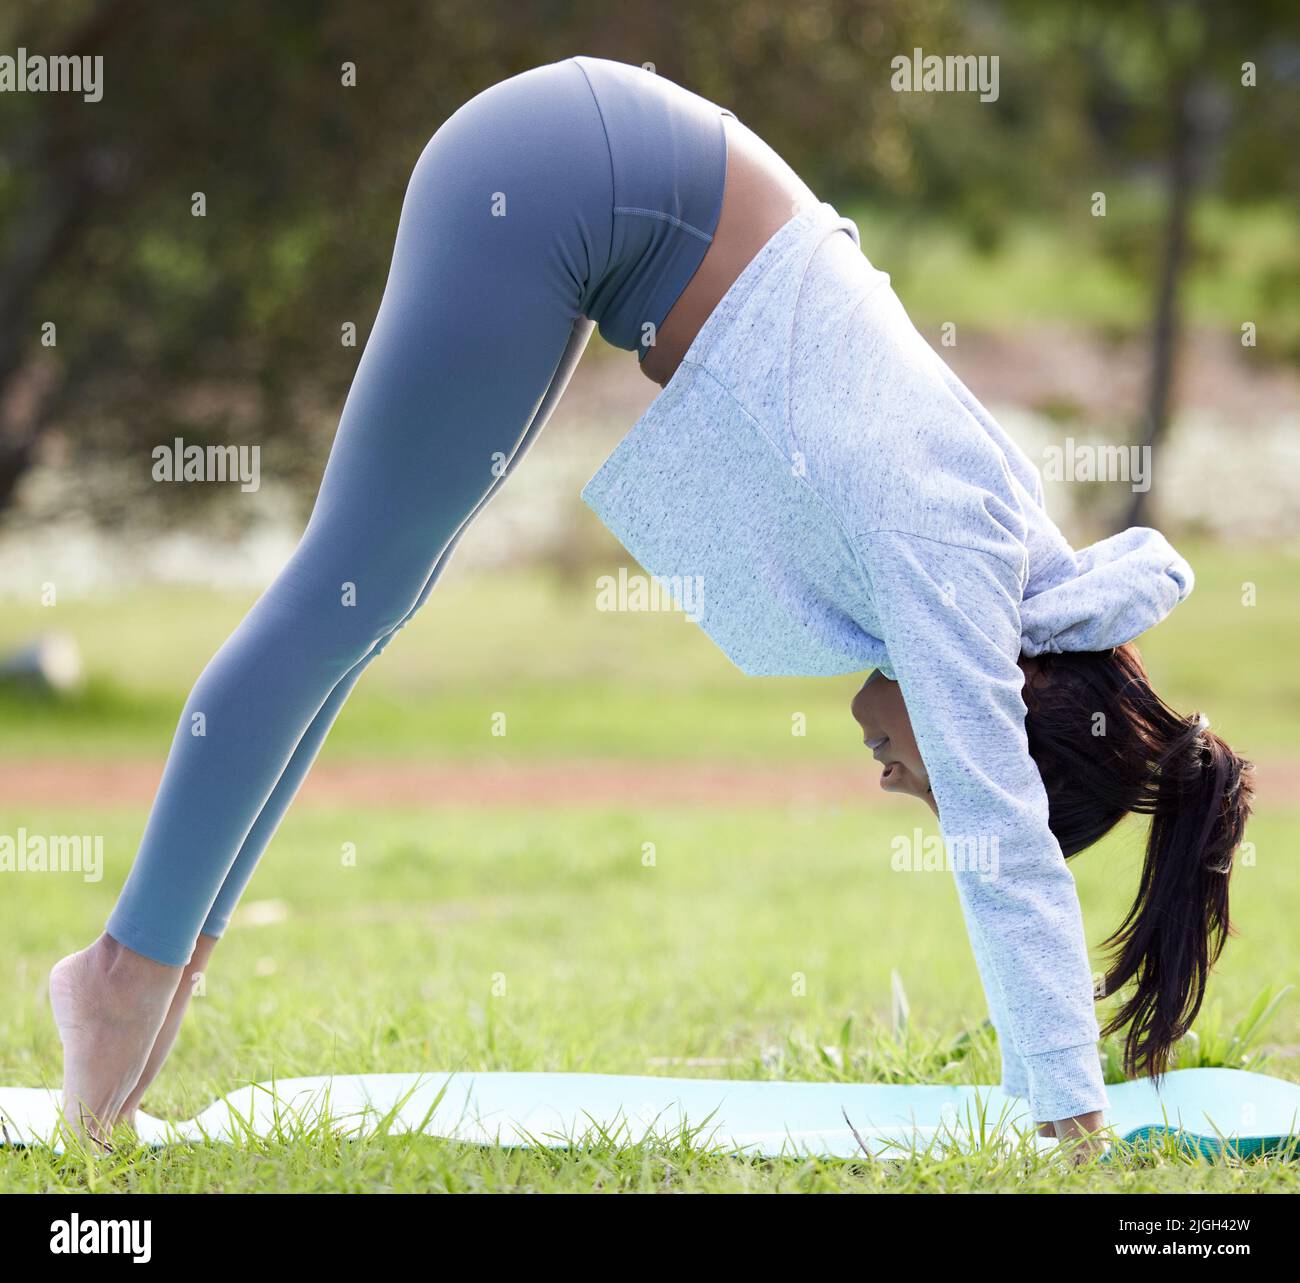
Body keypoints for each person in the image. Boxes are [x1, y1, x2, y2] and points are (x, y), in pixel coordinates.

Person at [50, 56, 1253, 1153]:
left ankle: (170, 961)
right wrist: (1072, 1120)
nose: (897, 778)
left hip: (594, 185)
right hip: (571, 177)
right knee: (339, 592)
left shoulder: (990, 562)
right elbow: (1007, 860)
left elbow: (1009, 789)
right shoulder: (961, 570)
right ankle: (122, 969)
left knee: (367, 605)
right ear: (1010, 693)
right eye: (931, 773)